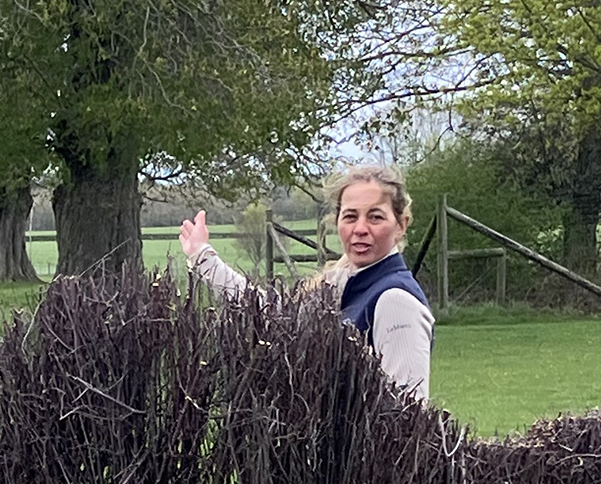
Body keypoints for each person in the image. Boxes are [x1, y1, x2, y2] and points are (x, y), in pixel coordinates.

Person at [180, 164, 434, 400]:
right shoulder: (342, 285)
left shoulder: (396, 301)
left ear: (401, 225)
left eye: (375, 217)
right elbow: (276, 315)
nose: (360, 228)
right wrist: (204, 259)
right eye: (350, 217)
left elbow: (406, 418)